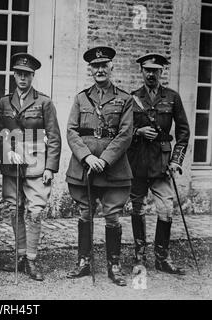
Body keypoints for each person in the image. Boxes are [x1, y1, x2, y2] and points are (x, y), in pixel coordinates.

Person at [65, 46, 133, 286]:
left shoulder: (124, 99)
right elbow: (71, 131)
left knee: (113, 217)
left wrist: (104, 159)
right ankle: (84, 261)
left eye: (104, 65)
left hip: (113, 169)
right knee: (85, 213)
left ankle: (114, 264)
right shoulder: (81, 98)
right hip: (85, 168)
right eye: (96, 66)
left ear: (111, 67)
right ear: (90, 70)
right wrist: (86, 157)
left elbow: (126, 134)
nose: (100, 70)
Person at [0, 53, 61, 281]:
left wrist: (50, 168)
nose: (22, 78)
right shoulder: (4, 102)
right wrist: (7, 151)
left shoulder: (44, 102)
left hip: (36, 165)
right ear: (14, 74)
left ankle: (31, 260)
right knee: (14, 210)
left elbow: (53, 137)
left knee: (35, 212)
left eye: (27, 74)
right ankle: (19, 256)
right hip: (12, 165)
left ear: (33, 76)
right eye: (19, 73)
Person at [127, 53, 190, 274]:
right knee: (138, 209)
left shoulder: (172, 97)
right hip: (138, 164)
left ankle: (162, 258)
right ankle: (139, 255)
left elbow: (183, 132)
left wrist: (176, 160)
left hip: (162, 165)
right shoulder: (132, 98)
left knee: (166, 209)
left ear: (161, 72)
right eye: (147, 70)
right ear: (141, 71)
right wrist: (138, 131)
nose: (151, 74)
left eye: (155, 70)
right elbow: (122, 131)